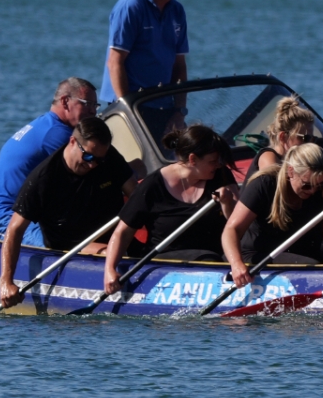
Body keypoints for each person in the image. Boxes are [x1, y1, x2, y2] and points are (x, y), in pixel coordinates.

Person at [0, 117, 132, 308]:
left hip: (116, 236)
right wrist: (6, 281)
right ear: (72, 142)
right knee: (115, 251)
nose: (93, 165)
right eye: (88, 157)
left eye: (99, 160)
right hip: (73, 246)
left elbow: (136, 196)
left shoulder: (108, 157)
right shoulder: (43, 178)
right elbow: (14, 229)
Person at [102, 123, 238, 295]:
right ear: (192, 159)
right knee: (210, 259)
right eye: (212, 161)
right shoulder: (153, 185)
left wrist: (227, 204)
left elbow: (238, 222)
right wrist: (110, 269)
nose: (218, 165)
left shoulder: (220, 175)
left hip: (217, 254)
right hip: (168, 257)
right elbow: (123, 232)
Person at [99, 0, 196, 140]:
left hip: (164, 107)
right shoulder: (130, 7)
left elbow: (179, 65)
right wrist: (128, 111)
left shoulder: (177, 10)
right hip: (130, 107)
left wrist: (179, 112)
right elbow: (115, 62)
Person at [0, 77, 97, 237]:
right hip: (4, 221)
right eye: (87, 104)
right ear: (65, 102)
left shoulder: (46, 124)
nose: (93, 111)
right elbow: (97, 174)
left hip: (28, 215)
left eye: (95, 105)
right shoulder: (56, 135)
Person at [222, 143, 323, 287]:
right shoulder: (265, 183)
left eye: (319, 186)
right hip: (257, 254)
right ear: (291, 171)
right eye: (306, 185)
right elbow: (231, 230)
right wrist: (237, 264)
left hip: (297, 251)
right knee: (312, 266)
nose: (312, 191)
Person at [254, 97, 318, 175]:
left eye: (312, 139)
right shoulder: (268, 157)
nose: (310, 144)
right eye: (306, 138)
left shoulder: (294, 162)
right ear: (283, 137)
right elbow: (278, 179)